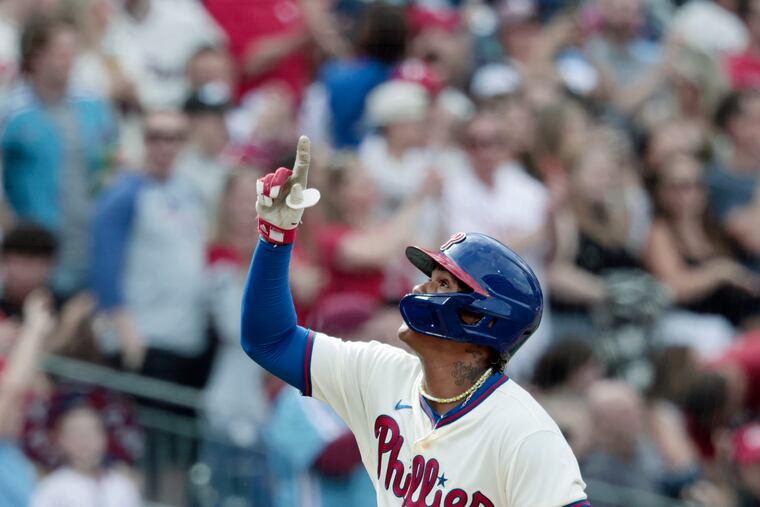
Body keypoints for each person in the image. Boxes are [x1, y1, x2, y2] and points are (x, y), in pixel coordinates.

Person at [241, 136, 591, 507]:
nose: (420, 288)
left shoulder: (525, 432)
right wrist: (275, 240)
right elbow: (269, 341)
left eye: (442, 284)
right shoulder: (381, 372)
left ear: (480, 319)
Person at [1, 13, 118, 296]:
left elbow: (111, 167)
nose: (69, 60)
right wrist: (15, 236)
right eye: (61, 52)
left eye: (72, 52)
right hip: (35, 257)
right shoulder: (10, 112)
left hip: (89, 251)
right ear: (36, 56)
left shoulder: (94, 108)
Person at [90, 109, 209, 382]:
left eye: (175, 138)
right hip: (144, 337)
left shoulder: (189, 192)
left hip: (187, 338)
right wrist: (125, 330)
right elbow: (104, 262)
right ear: (143, 141)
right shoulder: (124, 193)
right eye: (156, 137)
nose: (165, 146)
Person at [29, 403, 142, 507]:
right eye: (75, 433)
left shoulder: (123, 485)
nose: (84, 440)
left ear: (104, 437)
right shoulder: (51, 487)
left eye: (90, 431)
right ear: (60, 440)